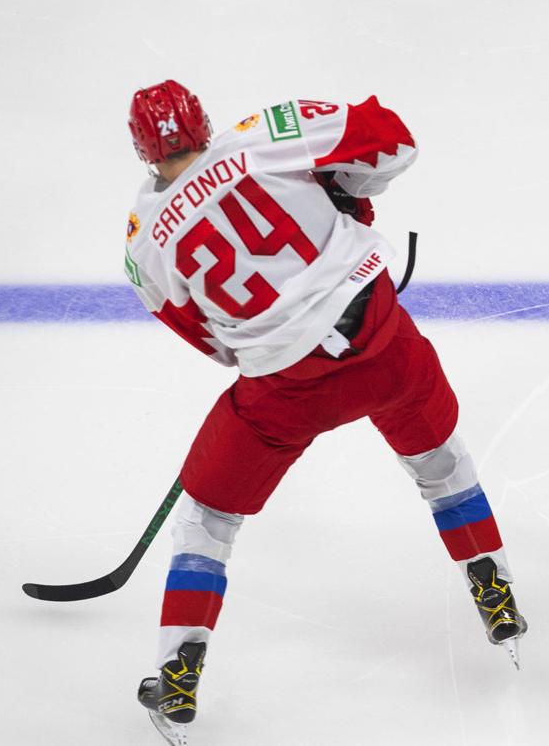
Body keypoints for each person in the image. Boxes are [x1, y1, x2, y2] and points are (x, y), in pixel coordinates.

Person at [123, 83, 527, 743]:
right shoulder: (262, 136)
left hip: (286, 387)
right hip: (385, 346)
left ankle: (176, 675)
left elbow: (207, 338)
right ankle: (495, 588)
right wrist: (345, 189)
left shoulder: (142, 239)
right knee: (440, 463)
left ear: (142, 150)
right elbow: (392, 137)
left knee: (210, 517)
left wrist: (266, 333)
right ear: (203, 120)